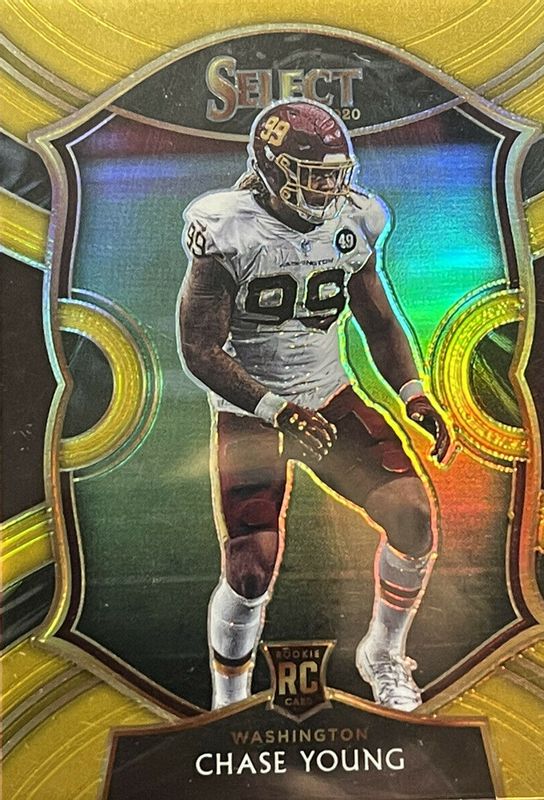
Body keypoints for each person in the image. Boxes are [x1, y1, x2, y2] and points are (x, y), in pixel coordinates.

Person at [177, 99, 451, 713]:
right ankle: (229, 701)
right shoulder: (227, 227)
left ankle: (382, 653)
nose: (329, 189)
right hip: (251, 410)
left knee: (413, 519)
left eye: (335, 175)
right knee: (250, 569)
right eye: (314, 176)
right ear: (273, 170)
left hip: (327, 396)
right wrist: (276, 409)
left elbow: (379, 321)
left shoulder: (354, 220)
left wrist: (413, 393)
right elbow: (199, 349)